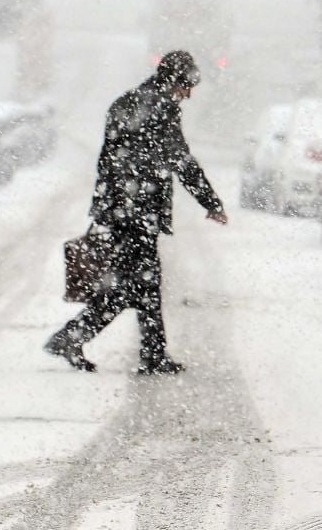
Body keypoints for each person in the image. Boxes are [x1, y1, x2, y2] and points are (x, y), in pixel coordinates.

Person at [45, 50, 228, 374]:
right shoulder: (160, 109)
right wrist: (210, 202)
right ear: (176, 81)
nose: (188, 94)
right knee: (138, 283)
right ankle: (80, 339)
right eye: (187, 85)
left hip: (122, 208)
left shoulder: (127, 102)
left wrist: (104, 204)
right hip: (138, 211)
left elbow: (107, 157)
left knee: (138, 285)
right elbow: (181, 160)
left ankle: (142, 351)